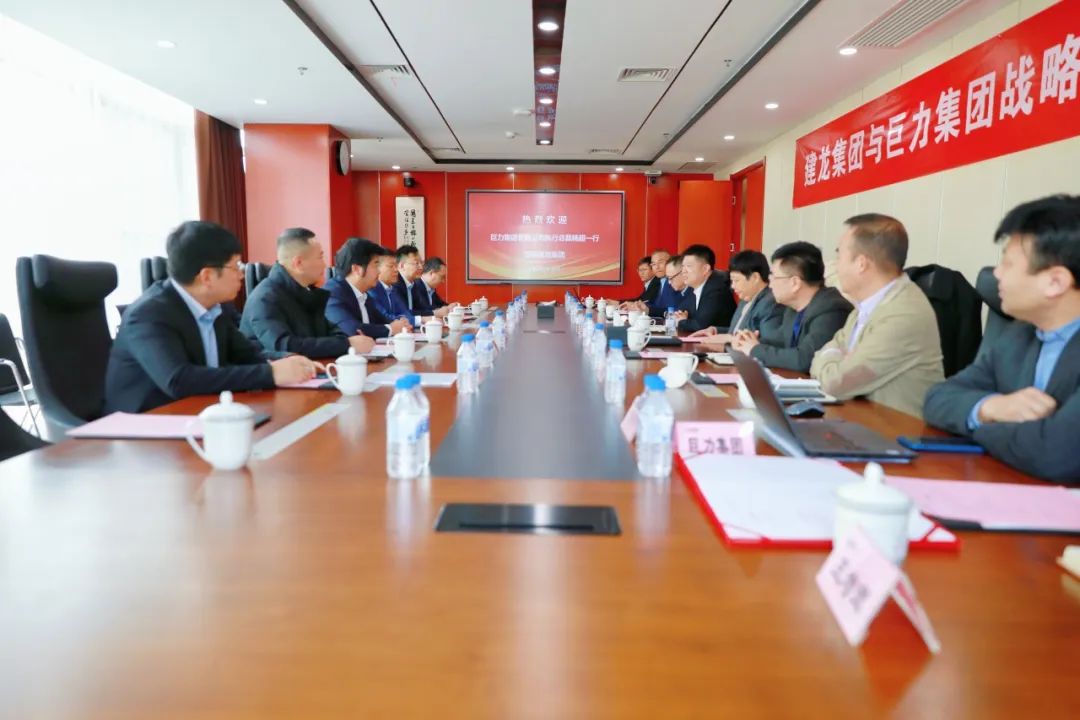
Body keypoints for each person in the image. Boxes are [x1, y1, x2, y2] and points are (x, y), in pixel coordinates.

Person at [924, 195, 1080, 482]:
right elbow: (937, 399)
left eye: (1007, 263)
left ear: (1055, 282)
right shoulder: (1020, 334)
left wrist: (981, 426)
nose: (996, 274)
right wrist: (991, 407)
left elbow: (1057, 454)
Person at [104, 221, 319, 413]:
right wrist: (270, 374)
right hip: (145, 425)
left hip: (201, 413)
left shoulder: (216, 306)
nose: (241, 275)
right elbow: (179, 380)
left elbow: (247, 355)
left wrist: (287, 360)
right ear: (206, 276)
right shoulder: (148, 314)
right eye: (236, 267)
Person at [810, 214, 944, 418]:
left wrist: (833, 359)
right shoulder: (865, 307)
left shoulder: (902, 314)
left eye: (839, 256)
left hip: (896, 432)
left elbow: (835, 384)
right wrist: (835, 357)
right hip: (859, 423)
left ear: (861, 263)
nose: (836, 266)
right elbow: (823, 353)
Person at [240, 227, 376, 358]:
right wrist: (347, 344)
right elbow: (285, 346)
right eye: (320, 257)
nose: (324, 265)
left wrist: (348, 342)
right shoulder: (265, 298)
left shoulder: (307, 293)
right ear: (298, 263)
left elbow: (335, 333)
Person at [731, 242, 851, 372]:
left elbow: (805, 359)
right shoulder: (792, 309)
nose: (770, 285)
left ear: (795, 283)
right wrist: (747, 341)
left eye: (774, 277)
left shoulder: (831, 309)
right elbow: (780, 342)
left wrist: (755, 350)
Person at [688, 250, 781, 348]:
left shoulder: (770, 303)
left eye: (736, 280)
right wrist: (716, 330)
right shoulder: (745, 299)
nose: (733, 286)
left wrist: (731, 339)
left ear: (755, 277)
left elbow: (767, 344)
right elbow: (737, 330)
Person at [324, 237, 412, 339]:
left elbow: (384, 321)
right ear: (357, 269)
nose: (379, 271)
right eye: (376, 265)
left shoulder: (364, 295)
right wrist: (391, 329)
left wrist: (401, 324)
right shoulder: (333, 292)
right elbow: (352, 330)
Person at [675, 244, 737, 333]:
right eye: (683, 266)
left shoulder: (716, 290)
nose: (683, 271)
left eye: (688, 266)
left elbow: (701, 326)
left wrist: (682, 321)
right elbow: (680, 311)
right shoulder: (694, 287)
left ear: (705, 269)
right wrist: (682, 319)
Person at [370, 253, 412, 323]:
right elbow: (384, 317)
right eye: (391, 266)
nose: (396, 270)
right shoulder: (372, 289)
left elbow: (405, 312)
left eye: (396, 266)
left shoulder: (393, 288)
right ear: (377, 268)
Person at [393, 244, 431, 317]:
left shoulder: (414, 284)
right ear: (402, 266)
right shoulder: (395, 284)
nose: (421, 267)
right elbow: (403, 312)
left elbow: (422, 308)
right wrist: (435, 313)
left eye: (421, 263)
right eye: (416, 263)